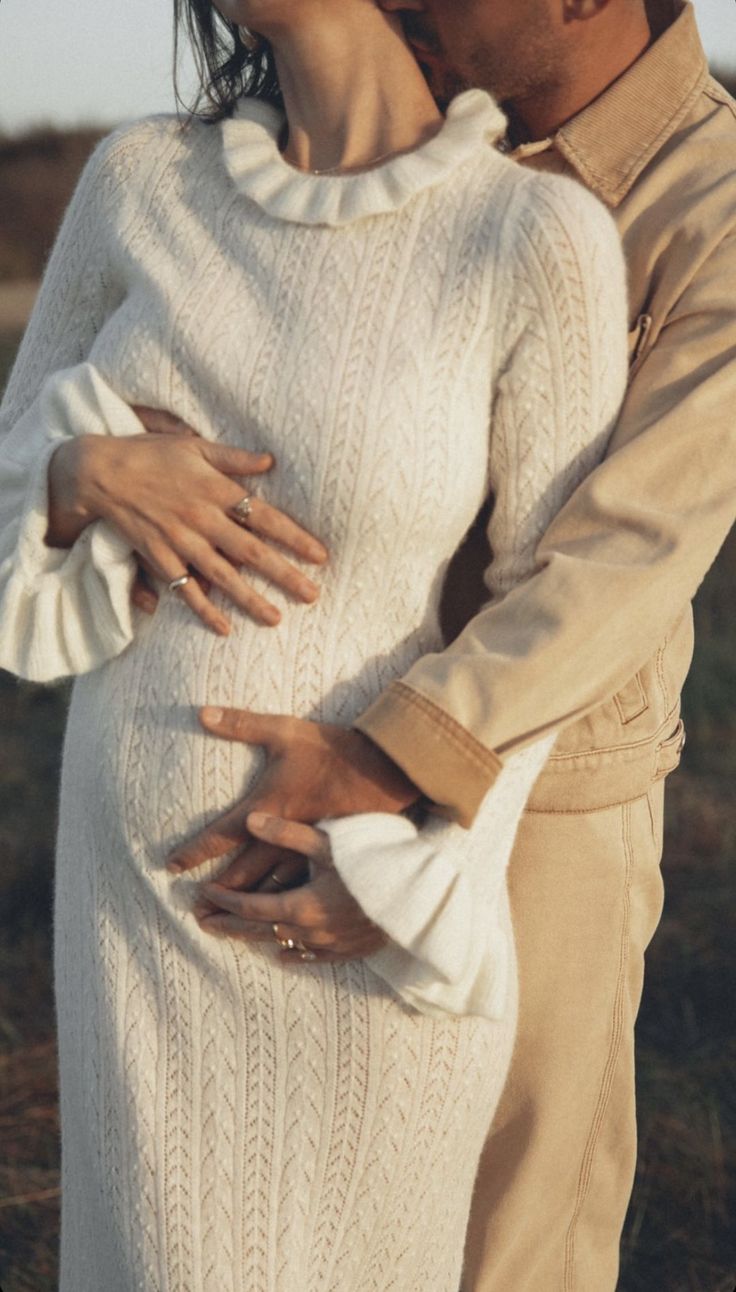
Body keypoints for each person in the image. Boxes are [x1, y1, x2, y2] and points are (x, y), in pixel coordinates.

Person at [0, 1, 629, 1288]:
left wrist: (414, 878)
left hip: (366, 917)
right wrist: (84, 469)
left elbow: (553, 606)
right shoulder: (138, 184)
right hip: (144, 910)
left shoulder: (531, 235)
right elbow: (10, 464)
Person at [138, 2, 736, 1289]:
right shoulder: (378, 127)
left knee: (507, 1246)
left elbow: (628, 550)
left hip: (546, 800)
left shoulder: (718, 205)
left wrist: (390, 763)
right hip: (296, 766)